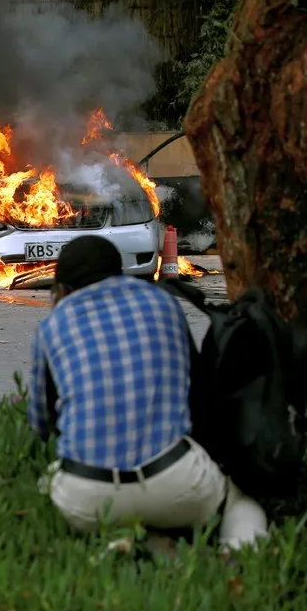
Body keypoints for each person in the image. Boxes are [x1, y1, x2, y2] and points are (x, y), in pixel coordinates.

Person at [28, 235, 268, 552]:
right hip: (176, 481)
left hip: (88, 498)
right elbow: (197, 393)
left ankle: (126, 542)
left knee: (51, 480)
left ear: (61, 290)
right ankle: (237, 553)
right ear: (118, 274)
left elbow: (42, 424)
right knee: (238, 500)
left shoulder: (52, 326)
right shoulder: (163, 302)